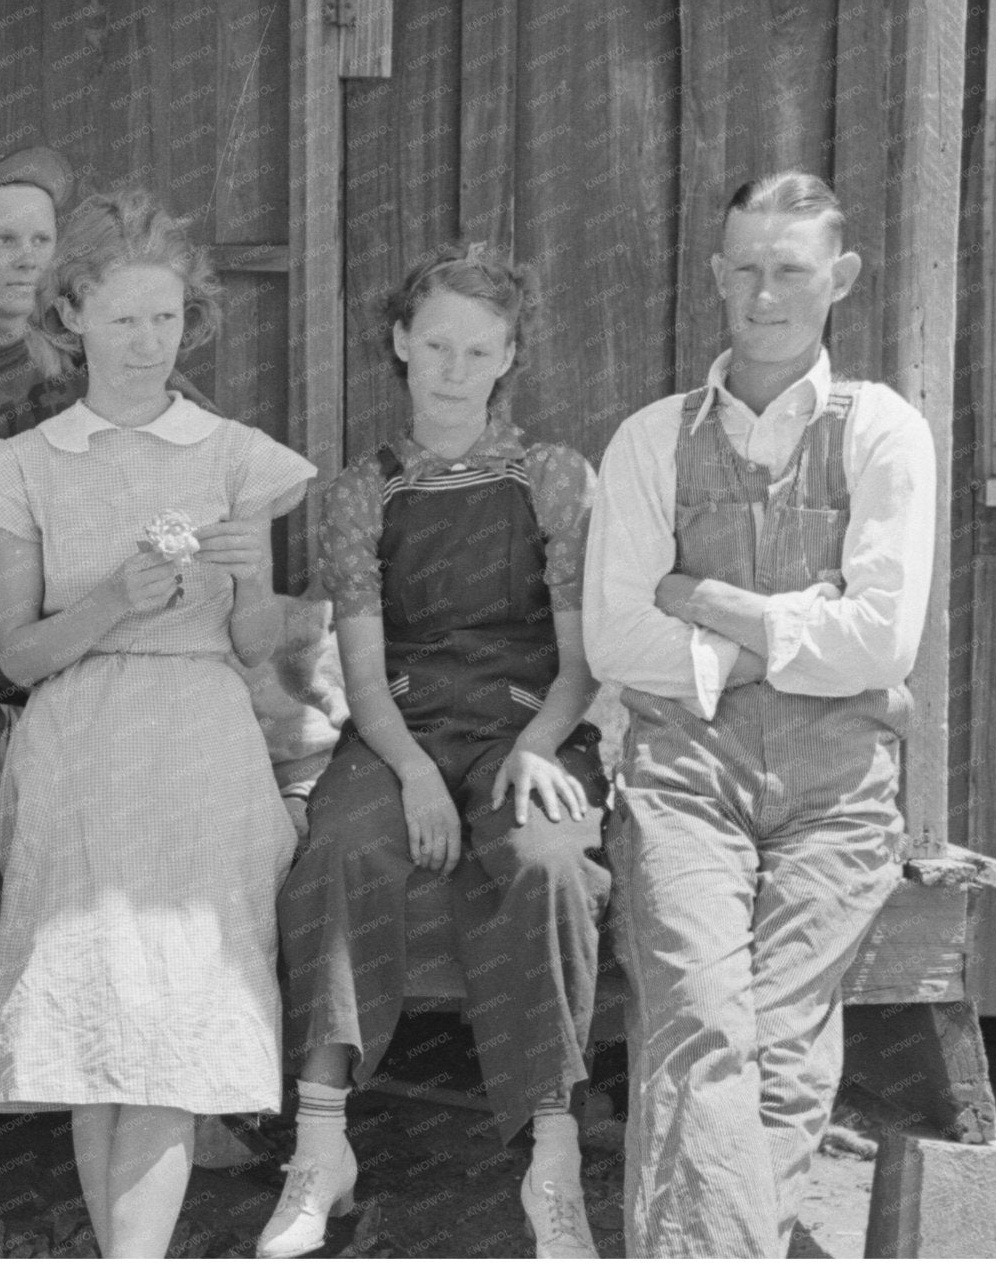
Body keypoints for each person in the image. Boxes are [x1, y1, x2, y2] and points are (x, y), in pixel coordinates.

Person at [0, 189, 316, 1257]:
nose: (145, 343)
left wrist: (247, 589)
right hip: (75, 743)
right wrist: (111, 601)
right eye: (120, 319)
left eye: (163, 318)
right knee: (94, 1017)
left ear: (186, 320)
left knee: (172, 1020)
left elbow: (253, 648)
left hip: (200, 739)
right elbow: (13, 653)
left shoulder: (239, 457)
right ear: (70, 321)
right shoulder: (24, 466)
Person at [583, 171, 936, 1257]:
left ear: (839, 277)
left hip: (836, 795)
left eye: (789, 269)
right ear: (713, 274)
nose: (763, 291)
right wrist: (798, 636)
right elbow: (612, 640)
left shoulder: (881, 429)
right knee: (699, 1021)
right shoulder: (651, 439)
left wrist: (714, 608)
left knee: (782, 1051)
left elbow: (883, 641)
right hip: (683, 776)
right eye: (743, 266)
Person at [262, 245, 611, 1259]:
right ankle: (320, 1146)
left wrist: (542, 742)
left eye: (479, 349)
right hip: (398, 726)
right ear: (400, 342)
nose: (455, 368)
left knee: (547, 863)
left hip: (525, 720)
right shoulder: (361, 490)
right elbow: (361, 674)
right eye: (438, 344)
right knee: (337, 851)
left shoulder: (552, 476)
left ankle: (550, 1162)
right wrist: (412, 770)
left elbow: (582, 659)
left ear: (507, 360)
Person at [0, 147, 212, 791]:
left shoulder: (83, 348)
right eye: (4, 239)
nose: (28, 257)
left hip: (117, 602)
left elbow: (206, 459)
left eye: (42, 239)